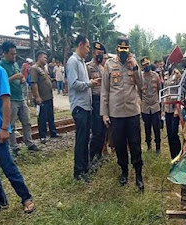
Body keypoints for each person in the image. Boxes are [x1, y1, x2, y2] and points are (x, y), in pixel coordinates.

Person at [0, 33, 35, 214]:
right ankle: (0, 201)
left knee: (8, 167)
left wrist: (5, 127)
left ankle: (26, 198)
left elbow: (6, 101)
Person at [100, 36, 144, 192]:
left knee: (135, 144)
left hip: (132, 112)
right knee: (119, 145)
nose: (124, 52)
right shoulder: (109, 65)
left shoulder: (134, 63)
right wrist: (105, 114)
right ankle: (124, 172)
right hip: (116, 113)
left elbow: (142, 85)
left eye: (126, 49)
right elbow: (104, 91)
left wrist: (136, 68)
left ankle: (139, 174)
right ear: (117, 48)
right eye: (121, 48)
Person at [67, 35, 100, 181]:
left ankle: (85, 167)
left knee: (86, 138)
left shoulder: (81, 62)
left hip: (86, 106)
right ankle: (78, 172)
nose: (88, 50)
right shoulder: (73, 61)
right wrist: (89, 84)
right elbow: (73, 83)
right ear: (80, 45)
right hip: (79, 106)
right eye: (87, 47)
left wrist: (90, 83)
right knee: (81, 139)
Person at [0, 41, 39, 156]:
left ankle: (29, 143)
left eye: (15, 54)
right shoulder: (0, 66)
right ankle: (14, 147)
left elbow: (19, 77)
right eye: (11, 54)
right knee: (11, 124)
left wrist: (22, 80)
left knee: (27, 122)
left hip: (20, 97)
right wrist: (14, 77)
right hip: (10, 99)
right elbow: (1, 82)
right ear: (5, 53)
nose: (14, 56)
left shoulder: (15, 64)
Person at [30, 51, 60, 144]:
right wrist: (37, 96)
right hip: (42, 97)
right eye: (44, 57)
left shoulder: (44, 68)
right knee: (42, 117)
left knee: (50, 116)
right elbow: (34, 83)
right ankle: (42, 135)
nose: (46, 59)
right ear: (39, 57)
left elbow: (46, 79)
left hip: (49, 96)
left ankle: (53, 132)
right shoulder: (34, 68)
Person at [87, 41, 106, 165]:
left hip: (103, 100)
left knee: (103, 130)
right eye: (98, 53)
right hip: (94, 100)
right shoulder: (88, 67)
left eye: (102, 54)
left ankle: (99, 155)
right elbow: (85, 83)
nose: (100, 56)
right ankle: (92, 157)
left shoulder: (102, 68)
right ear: (93, 53)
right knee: (96, 130)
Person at [140, 56, 161, 154]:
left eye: (147, 64)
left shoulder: (156, 75)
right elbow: (139, 93)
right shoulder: (140, 77)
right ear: (142, 66)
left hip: (155, 106)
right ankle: (148, 146)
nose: (146, 66)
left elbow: (159, 89)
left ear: (150, 64)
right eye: (144, 65)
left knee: (156, 128)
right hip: (145, 107)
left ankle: (158, 148)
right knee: (147, 128)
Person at [162, 68, 182, 159]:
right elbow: (164, 92)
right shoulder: (166, 74)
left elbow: (181, 91)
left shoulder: (178, 75)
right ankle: (173, 157)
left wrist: (178, 108)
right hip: (167, 108)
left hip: (175, 109)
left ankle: (179, 155)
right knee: (169, 134)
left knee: (174, 133)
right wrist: (162, 109)